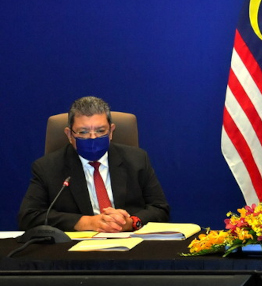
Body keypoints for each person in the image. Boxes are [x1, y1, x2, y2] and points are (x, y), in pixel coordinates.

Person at [18, 96, 171, 232]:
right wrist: (87, 222)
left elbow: (160, 209)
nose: (92, 138)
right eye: (83, 132)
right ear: (69, 134)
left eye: (100, 131)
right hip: (76, 249)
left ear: (111, 131)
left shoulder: (137, 159)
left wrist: (131, 223)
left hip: (130, 242)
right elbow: (28, 217)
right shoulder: (48, 167)